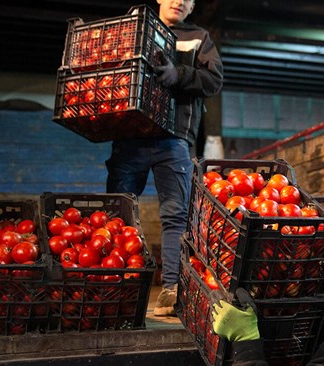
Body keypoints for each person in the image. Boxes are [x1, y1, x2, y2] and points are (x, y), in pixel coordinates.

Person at [105, 0, 223, 316]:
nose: (180, 1)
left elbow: (214, 81)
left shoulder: (198, 36)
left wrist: (178, 74)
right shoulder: (136, 27)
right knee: (118, 211)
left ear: (193, 5)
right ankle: (113, 286)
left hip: (174, 139)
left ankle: (170, 290)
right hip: (130, 135)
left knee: (175, 216)